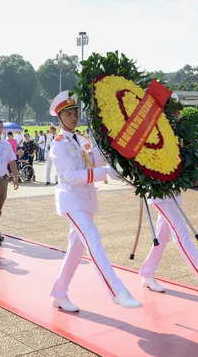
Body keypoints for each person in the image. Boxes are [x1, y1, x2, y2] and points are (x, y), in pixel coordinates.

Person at [49, 91, 141, 311]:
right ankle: (117, 291)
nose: (74, 117)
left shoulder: (83, 139)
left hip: (87, 201)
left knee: (76, 249)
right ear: (59, 117)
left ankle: (59, 293)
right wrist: (103, 172)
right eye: (68, 113)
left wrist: (120, 170)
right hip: (71, 200)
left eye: (75, 112)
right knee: (92, 238)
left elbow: (100, 161)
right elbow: (72, 176)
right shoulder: (59, 144)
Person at [139, 194, 198, 292]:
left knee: (161, 238)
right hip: (159, 196)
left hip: (169, 194)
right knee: (181, 235)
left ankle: (147, 273)